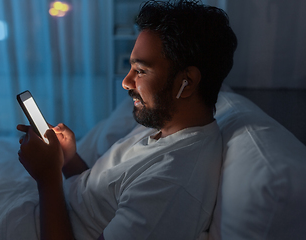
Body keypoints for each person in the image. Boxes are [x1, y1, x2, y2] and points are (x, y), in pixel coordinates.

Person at [17, 0, 237, 239]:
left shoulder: (171, 184)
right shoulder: (165, 125)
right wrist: (67, 159)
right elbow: (101, 201)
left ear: (188, 82)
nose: (126, 82)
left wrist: (48, 178)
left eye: (140, 71)